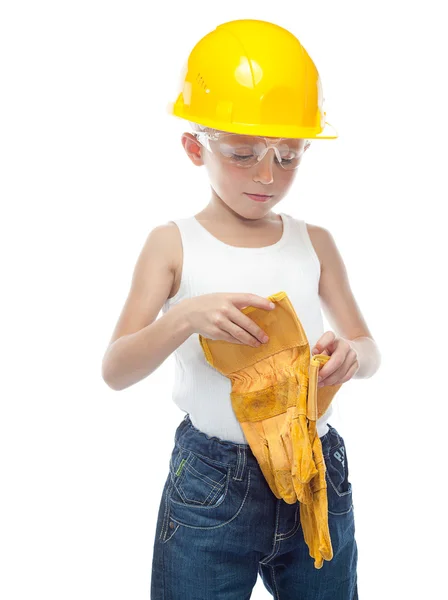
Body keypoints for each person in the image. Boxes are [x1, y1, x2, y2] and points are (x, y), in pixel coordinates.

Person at [102, 18, 381, 600]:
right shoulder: (172, 242)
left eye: (287, 156)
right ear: (193, 146)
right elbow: (116, 370)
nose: (266, 175)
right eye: (243, 153)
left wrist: (352, 354)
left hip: (313, 468)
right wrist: (184, 317)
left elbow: (369, 347)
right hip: (212, 481)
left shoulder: (316, 241)